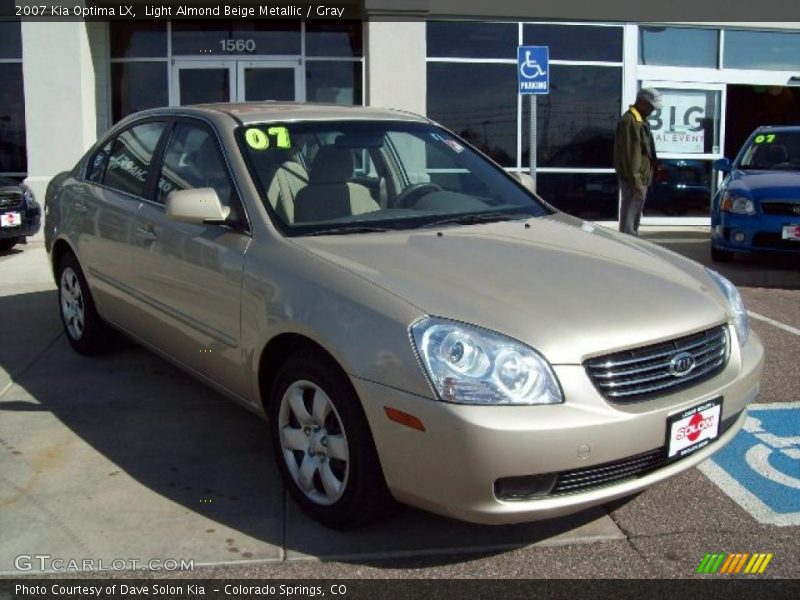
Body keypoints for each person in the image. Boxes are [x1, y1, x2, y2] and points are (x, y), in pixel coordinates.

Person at [614, 88, 661, 236]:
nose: (653, 109)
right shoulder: (630, 121)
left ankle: (629, 239)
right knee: (630, 213)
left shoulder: (640, 120)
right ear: (641, 102)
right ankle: (628, 242)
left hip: (640, 176)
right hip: (634, 178)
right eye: (651, 105)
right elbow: (630, 154)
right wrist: (636, 180)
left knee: (633, 213)